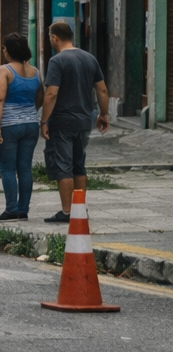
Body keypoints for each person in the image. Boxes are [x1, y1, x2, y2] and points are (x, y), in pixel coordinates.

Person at [39, 21, 110, 224]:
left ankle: (67, 211)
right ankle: (79, 209)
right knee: (79, 165)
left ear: (55, 38)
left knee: (63, 166)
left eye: (50, 37)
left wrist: (44, 121)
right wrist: (104, 114)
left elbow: (51, 93)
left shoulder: (57, 61)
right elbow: (102, 89)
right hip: (84, 121)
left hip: (62, 121)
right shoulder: (89, 58)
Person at [0, 32, 42, 221]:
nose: (3, 51)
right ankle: (23, 209)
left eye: (4, 48)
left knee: (7, 169)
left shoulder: (4, 71)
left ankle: (11, 208)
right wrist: (29, 112)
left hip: (9, 125)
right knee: (25, 169)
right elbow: (40, 97)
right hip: (31, 124)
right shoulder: (35, 72)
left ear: (9, 50)